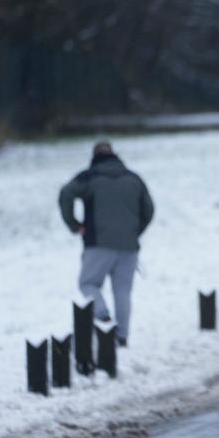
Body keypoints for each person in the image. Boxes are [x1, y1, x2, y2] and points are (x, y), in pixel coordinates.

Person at [59, 141, 154, 347]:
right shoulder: (134, 178)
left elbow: (66, 194)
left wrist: (75, 226)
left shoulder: (89, 177)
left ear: (94, 157)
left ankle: (102, 317)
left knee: (88, 284)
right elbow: (149, 210)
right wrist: (134, 232)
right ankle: (122, 336)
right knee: (123, 291)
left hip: (98, 244)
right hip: (129, 247)